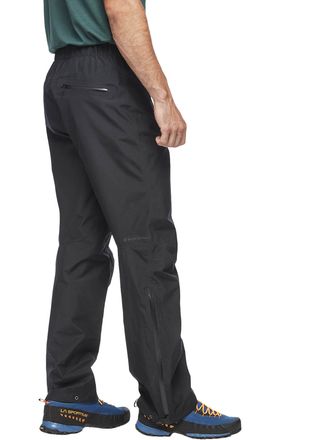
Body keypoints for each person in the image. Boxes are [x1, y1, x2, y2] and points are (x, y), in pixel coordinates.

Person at [40, 0, 241, 437]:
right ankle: (166, 405)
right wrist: (162, 97)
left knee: (81, 243)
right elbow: (121, 8)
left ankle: (68, 395)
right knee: (146, 243)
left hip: (64, 81)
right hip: (107, 81)